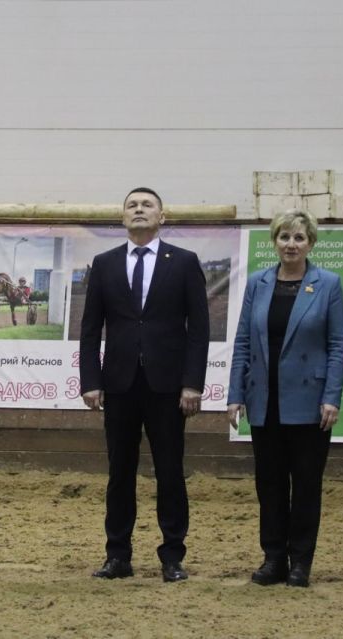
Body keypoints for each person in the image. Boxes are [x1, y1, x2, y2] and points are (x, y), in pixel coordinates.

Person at [79, 187, 210, 583]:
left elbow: (198, 329)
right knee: (120, 472)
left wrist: (192, 383)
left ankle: (172, 556)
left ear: (161, 217)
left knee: (169, 471)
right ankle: (117, 555)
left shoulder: (184, 262)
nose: (139, 209)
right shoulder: (104, 263)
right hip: (119, 385)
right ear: (123, 217)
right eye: (132, 205)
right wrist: (90, 380)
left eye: (147, 205)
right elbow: (90, 329)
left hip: (167, 386)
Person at [227, 209, 343, 588]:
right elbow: (243, 341)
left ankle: (301, 562)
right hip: (265, 402)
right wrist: (235, 394)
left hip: (311, 404)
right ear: (274, 241)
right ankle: (274, 559)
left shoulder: (328, 284)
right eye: (284, 237)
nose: (291, 244)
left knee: (306, 485)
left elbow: (338, 345)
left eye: (299, 237)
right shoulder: (257, 283)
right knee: (270, 485)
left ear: (310, 243)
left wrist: (332, 397)